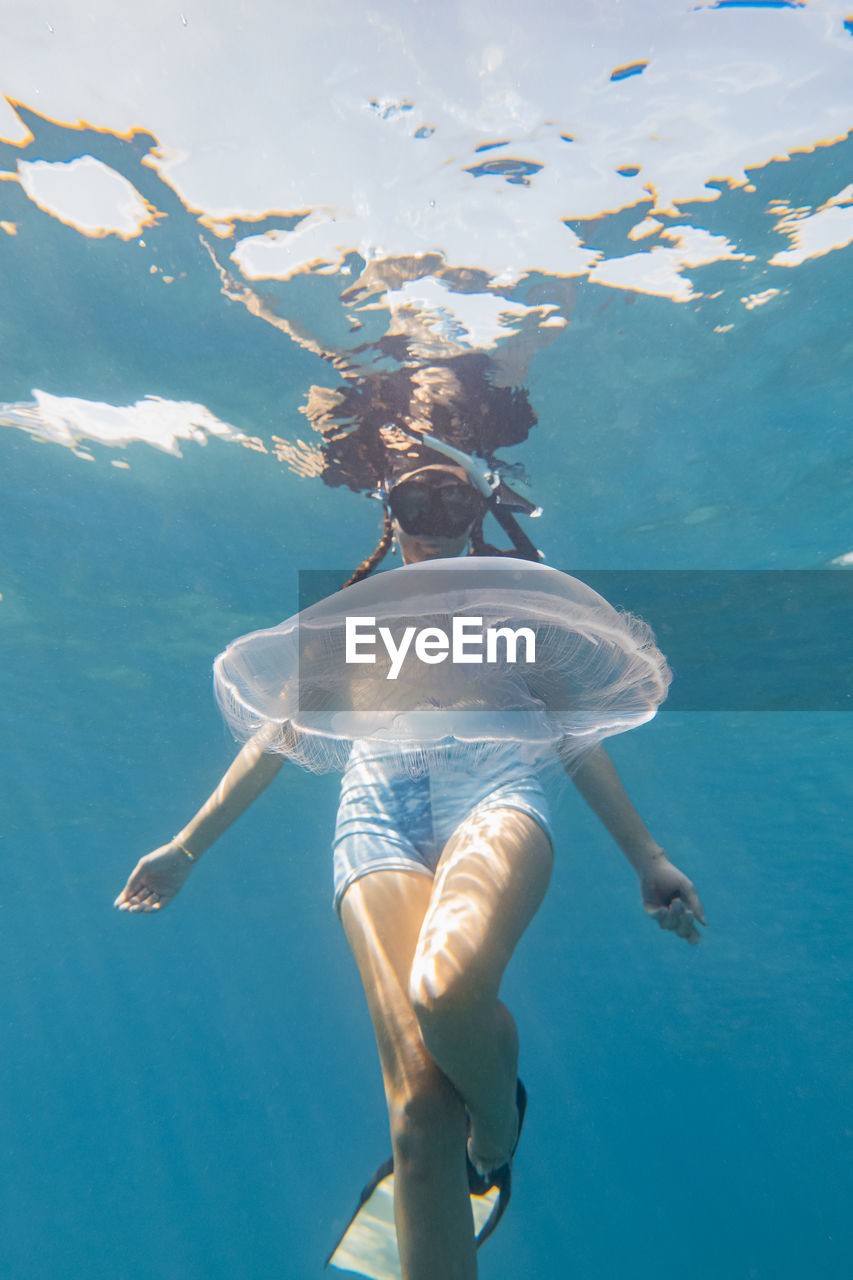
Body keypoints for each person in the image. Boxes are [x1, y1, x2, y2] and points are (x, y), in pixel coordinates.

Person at [115, 463, 706, 1280]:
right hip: (373, 812)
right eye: (413, 500)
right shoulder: (347, 628)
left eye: (453, 498)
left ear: (479, 513)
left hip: (493, 790)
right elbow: (276, 738)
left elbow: (574, 737)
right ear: (387, 517)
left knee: (442, 989)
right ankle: (473, 1131)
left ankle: (496, 1132)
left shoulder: (514, 616)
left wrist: (649, 857)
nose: (433, 516)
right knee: (421, 1120)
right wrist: (185, 846)